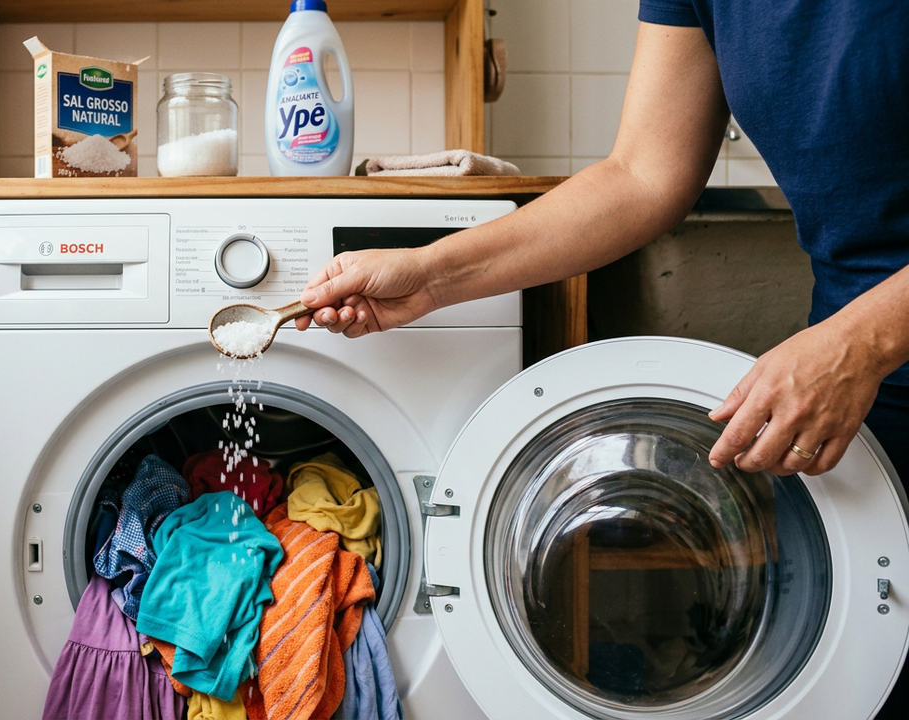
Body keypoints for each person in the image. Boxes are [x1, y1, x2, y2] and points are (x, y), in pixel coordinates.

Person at [294, 2, 908, 715]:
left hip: (865, 348)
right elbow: (643, 173)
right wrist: (430, 277)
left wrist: (863, 340)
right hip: (862, 390)